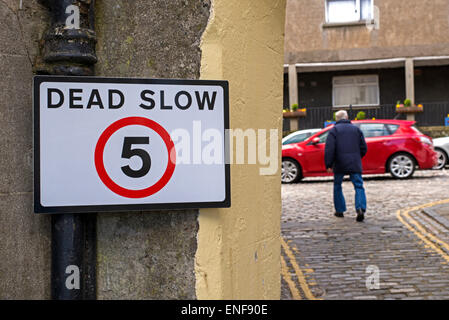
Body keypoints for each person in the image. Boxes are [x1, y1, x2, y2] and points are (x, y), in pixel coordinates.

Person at [324, 110, 368, 222]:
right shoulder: (356, 130)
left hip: (339, 162)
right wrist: (357, 156)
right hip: (354, 161)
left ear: (336, 119)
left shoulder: (333, 131)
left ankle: (340, 210)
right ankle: (360, 208)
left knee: (337, 185)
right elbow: (364, 148)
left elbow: (329, 149)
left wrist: (329, 164)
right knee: (358, 185)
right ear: (347, 117)